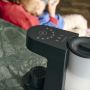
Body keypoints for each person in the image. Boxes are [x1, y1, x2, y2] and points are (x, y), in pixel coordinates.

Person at [0, 0, 88, 36]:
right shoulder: (30, 21)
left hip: (57, 21)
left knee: (79, 20)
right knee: (81, 31)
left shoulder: (24, 7)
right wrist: (52, 14)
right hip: (56, 27)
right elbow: (51, 34)